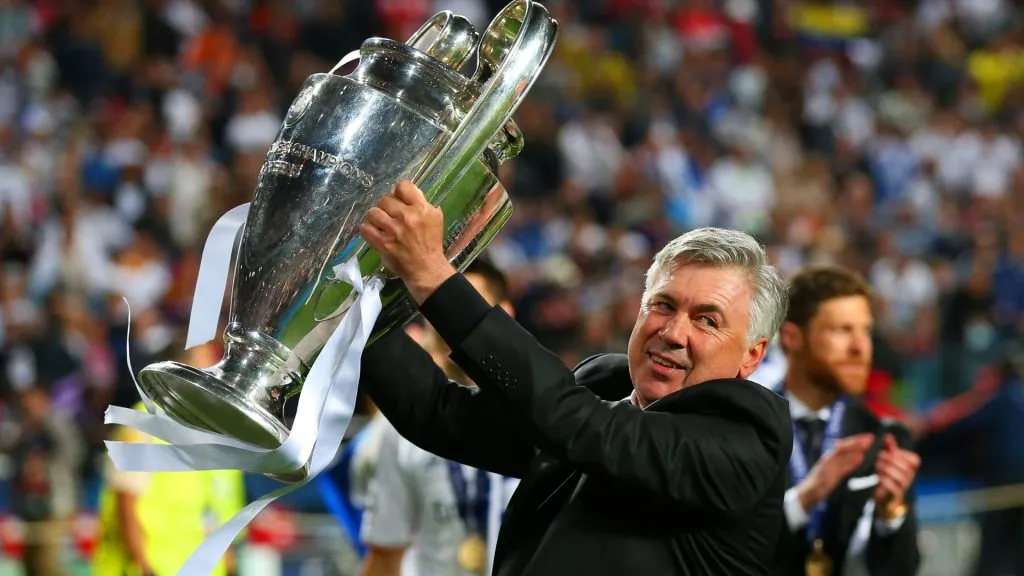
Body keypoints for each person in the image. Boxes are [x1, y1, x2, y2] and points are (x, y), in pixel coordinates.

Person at [355, 180, 794, 575]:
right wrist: (350, 309)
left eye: (707, 320)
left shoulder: (749, 434)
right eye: (663, 305)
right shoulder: (604, 385)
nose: (673, 333)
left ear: (751, 356)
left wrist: (432, 275)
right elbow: (440, 413)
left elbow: (576, 422)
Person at [358, 259, 519, 576]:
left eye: (467, 308)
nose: (450, 323)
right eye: (438, 309)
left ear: (505, 314)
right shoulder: (397, 430)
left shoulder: (544, 417)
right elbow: (386, 553)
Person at [769, 265, 921, 576]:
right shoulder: (744, 428)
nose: (861, 347)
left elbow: (901, 570)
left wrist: (889, 515)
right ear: (791, 338)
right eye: (842, 330)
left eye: (865, 330)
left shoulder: (884, 438)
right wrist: (805, 499)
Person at [93, 344, 247, 576]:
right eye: (206, 370)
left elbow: (208, 506)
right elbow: (125, 504)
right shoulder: (143, 426)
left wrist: (226, 558)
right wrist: (143, 566)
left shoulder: (200, 429)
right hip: (154, 566)